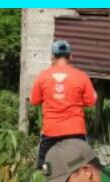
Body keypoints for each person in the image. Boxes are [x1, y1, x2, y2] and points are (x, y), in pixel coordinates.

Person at [29, 39, 97, 169]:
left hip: (50, 132)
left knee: (45, 171)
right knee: (77, 170)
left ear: (53, 57)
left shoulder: (43, 76)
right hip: (76, 132)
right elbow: (91, 101)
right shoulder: (82, 76)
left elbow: (34, 101)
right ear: (71, 56)